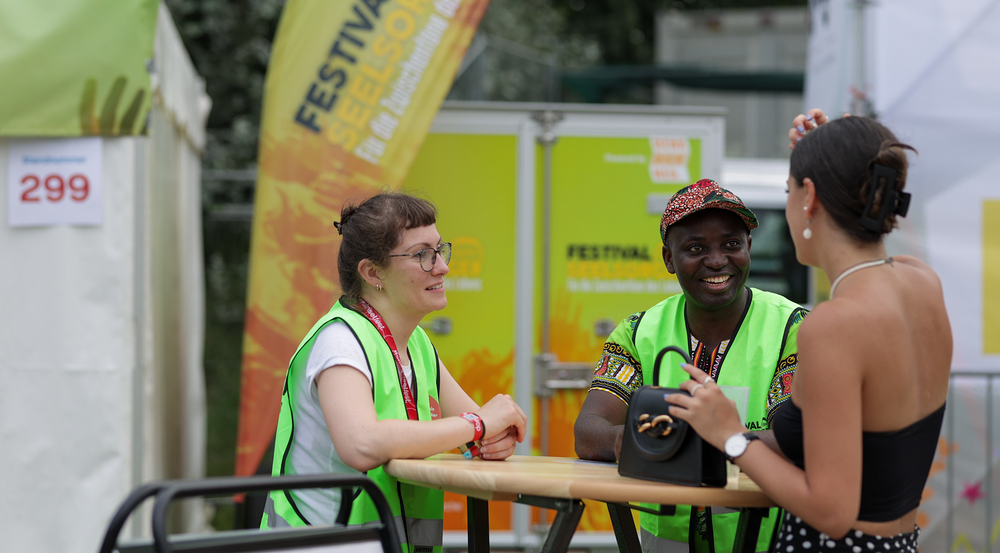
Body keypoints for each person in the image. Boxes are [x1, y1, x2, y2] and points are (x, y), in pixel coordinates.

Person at [667, 110, 952, 552]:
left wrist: (730, 435)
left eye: (789, 192)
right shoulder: (922, 282)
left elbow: (830, 512)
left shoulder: (833, 326)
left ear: (810, 198)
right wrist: (833, 154)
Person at [261, 192, 528, 552]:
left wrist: (492, 436)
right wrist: (479, 425)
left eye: (440, 250)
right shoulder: (340, 341)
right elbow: (362, 444)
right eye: (422, 255)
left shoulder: (416, 342)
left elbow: (481, 434)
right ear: (373, 273)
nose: (442, 267)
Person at [574, 179, 808, 553]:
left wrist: (689, 444)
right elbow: (588, 430)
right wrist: (625, 440)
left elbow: (796, 441)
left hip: (765, 538)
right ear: (669, 259)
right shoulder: (638, 332)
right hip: (667, 542)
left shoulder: (793, 329)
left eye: (731, 244)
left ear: (749, 247)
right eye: (696, 248)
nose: (716, 260)